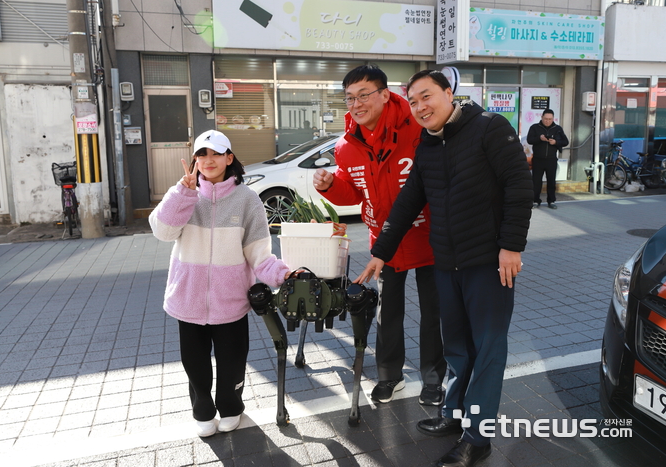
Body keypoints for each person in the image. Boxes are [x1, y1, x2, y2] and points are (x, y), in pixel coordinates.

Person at [357, 70, 532, 467]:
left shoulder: (489, 127)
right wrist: (381, 252)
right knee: (455, 346)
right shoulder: (427, 145)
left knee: (487, 349)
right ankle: (454, 416)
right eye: (413, 101)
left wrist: (511, 247)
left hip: (489, 263)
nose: (419, 107)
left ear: (449, 94)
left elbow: (520, 187)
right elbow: (408, 202)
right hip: (446, 263)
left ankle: (479, 437)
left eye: (426, 97)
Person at [313, 65, 446, 406]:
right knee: (388, 311)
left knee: (434, 310)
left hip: (429, 234)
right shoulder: (346, 145)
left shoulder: (418, 128)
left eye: (364, 95)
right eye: (350, 98)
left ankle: (434, 378)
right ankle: (390, 376)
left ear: (385, 95)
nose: (356, 104)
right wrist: (331, 187)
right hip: (384, 243)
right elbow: (354, 192)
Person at [149, 130, 291, 438]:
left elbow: (259, 254)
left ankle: (231, 407)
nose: (208, 160)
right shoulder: (185, 194)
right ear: (195, 160)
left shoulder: (247, 199)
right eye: (202, 154)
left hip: (231, 301)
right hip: (189, 300)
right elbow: (162, 231)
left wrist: (283, 274)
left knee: (232, 363)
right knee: (195, 366)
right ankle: (202, 412)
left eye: (215, 154)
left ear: (230, 158)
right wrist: (181, 194)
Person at [526, 109, 568, 209]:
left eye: (550, 119)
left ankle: (551, 200)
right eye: (546, 119)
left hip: (551, 159)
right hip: (538, 159)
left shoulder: (557, 129)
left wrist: (556, 142)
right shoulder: (535, 127)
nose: (547, 121)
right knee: (536, 181)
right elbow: (529, 140)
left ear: (553, 119)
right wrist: (539, 139)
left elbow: (565, 141)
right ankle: (535, 200)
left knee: (551, 181)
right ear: (542, 117)